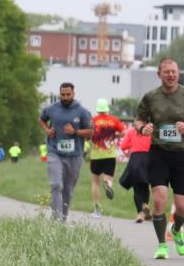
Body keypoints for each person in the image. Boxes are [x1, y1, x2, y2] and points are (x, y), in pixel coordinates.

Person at [134, 58, 184, 260]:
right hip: (159, 152)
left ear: (178, 73)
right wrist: (142, 128)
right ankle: (162, 244)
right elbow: (139, 118)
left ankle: (177, 230)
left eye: (174, 71)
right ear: (159, 75)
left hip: (183, 154)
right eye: (166, 72)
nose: (170, 75)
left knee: (182, 207)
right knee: (159, 199)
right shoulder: (150, 97)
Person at [39, 83, 92, 223]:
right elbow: (42, 119)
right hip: (54, 152)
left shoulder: (82, 112)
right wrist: (47, 130)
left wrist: (75, 132)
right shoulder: (52, 109)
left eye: (68, 94)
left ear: (73, 94)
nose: (65, 97)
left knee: (68, 189)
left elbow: (90, 133)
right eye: (63, 95)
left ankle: (62, 219)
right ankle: (56, 220)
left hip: (75, 155)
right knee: (56, 184)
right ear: (59, 94)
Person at [89, 99, 126, 218]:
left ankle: (97, 210)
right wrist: (115, 135)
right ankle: (108, 185)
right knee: (109, 177)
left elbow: (89, 134)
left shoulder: (93, 120)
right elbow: (124, 132)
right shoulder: (114, 120)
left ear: (98, 109)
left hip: (96, 155)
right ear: (107, 109)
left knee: (95, 183)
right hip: (110, 155)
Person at [118, 124, 152, 223]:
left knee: (137, 188)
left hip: (135, 159)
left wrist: (132, 144)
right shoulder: (151, 130)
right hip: (148, 159)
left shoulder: (132, 131)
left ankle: (140, 213)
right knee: (145, 185)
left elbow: (123, 146)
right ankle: (145, 204)